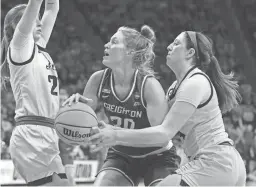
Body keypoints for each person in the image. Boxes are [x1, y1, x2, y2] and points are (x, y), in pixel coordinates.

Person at [88, 31, 247, 186]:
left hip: (215, 161)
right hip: (214, 161)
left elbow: (164, 133)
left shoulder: (195, 82)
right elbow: (152, 125)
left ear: (190, 53)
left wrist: (115, 134)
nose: (169, 46)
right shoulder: (175, 88)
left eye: (176, 43)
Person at [63, 25, 181, 186]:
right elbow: (84, 124)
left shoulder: (149, 86)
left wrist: (117, 134)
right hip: (121, 156)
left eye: (114, 42)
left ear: (130, 51)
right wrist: (75, 110)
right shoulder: (98, 80)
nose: (106, 45)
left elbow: (160, 137)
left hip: (158, 157)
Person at [1, 0, 70, 185]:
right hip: (31, 135)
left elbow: (52, 7)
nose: (40, 23)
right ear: (19, 24)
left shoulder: (38, 48)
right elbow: (36, 4)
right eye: (35, 19)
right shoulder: (20, 47)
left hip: (47, 133)